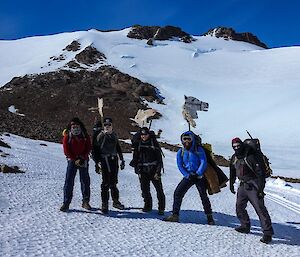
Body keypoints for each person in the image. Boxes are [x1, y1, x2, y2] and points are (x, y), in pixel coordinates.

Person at [163, 131, 215, 224]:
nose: (187, 141)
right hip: (189, 176)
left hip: (199, 176)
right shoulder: (181, 151)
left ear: (193, 139)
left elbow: (204, 162)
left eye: (189, 139)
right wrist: (187, 174)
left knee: (203, 196)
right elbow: (180, 165)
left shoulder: (199, 149)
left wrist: (198, 173)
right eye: (185, 139)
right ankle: (175, 215)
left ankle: (209, 217)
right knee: (178, 193)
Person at [229, 137, 274, 244]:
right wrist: (231, 183)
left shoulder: (250, 157)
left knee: (260, 209)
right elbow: (232, 171)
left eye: (238, 146)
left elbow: (260, 174)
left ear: (242, 145)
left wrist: (260, 189)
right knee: (239, 207)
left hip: (253, 184)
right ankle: (245, 225)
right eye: (234, 146)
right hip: (242, 185)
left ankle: (268, 233)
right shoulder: (235, 157)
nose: (236, 148)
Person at [130, 127, 166, 215]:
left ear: (148, 135)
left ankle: (161, 208)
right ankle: (147, 206)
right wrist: (137, 169)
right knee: (145, 190)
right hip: (143, 170)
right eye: (142, 135)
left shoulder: (153, 143)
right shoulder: (138, 144)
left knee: (159, 190)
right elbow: (135, 158)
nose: (143, 137)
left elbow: (159, 159)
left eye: (145, 134)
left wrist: (158, 171)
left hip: (153, 169)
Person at [93, 117, 125, 214]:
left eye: (109, 125)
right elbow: (95, 150)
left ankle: (115, 201)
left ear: (112, 125)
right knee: (105, 183)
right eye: (105, 125)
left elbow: (118, 147)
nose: (107, 126)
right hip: (104, 161)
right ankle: (104, 204)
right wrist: (97, 163)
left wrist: (122, 159)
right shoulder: (100, 136)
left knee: (114, 182)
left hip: (114, 160)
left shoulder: (114, 135)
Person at [60, 117, 92, 212]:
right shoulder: (67, 136)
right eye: (73, 126)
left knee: (85, 181)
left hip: (83, 160)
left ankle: (85, 201)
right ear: (70, 127)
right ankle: (66, 203)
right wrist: (75, 159)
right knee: (69, 181)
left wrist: (82, 157)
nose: (75, 127)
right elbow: (66, 150)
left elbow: (88, 147)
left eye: (77, 126)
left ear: (80, 125)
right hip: (72, 161)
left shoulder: (85, 136)